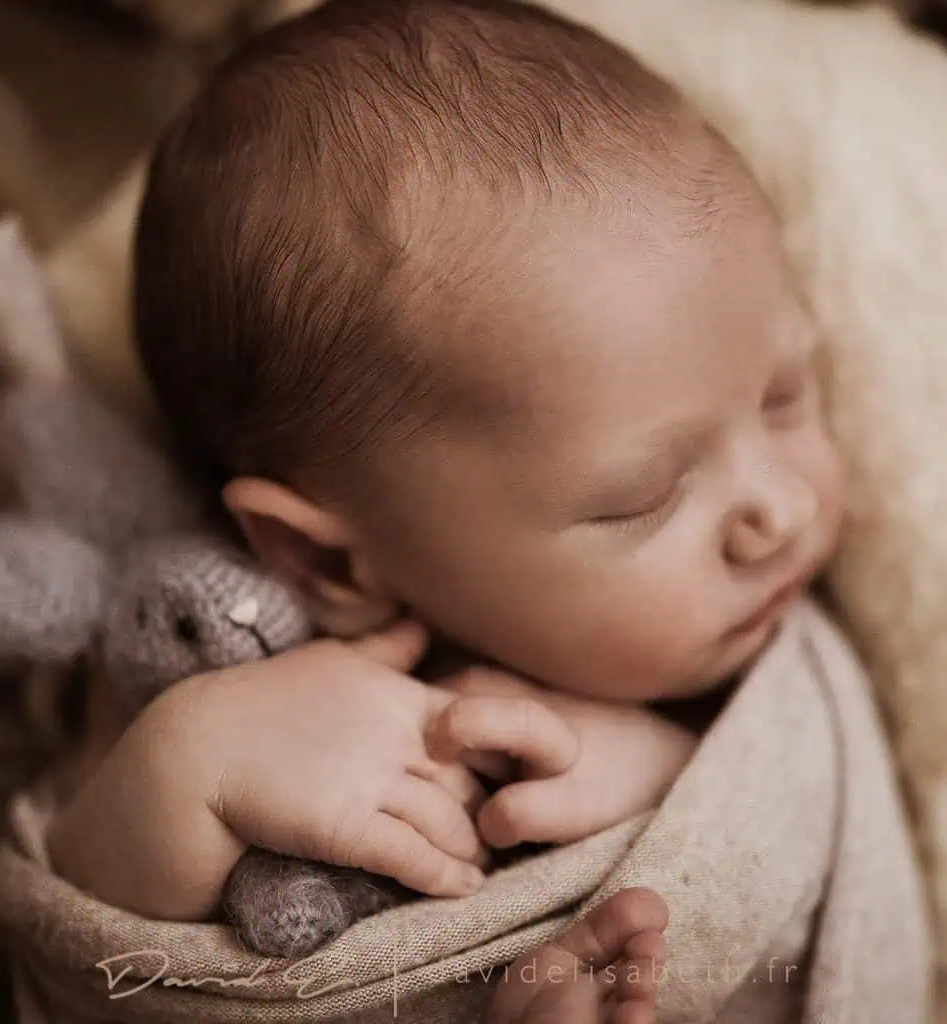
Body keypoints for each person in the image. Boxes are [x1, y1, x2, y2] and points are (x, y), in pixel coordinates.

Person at [45, 0, 851, 1020]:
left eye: (785, 395)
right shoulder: (212, 670)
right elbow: (35, 971)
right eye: (646, 495)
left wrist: (679, 772)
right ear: (330, 566)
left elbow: (859, 871)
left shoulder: (764, 660)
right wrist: (162, 789)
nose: (776, 509)